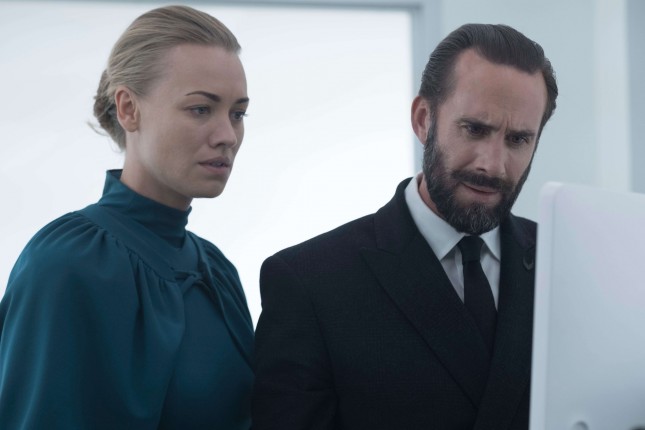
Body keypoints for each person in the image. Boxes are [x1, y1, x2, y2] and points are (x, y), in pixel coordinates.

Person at [253, 23, 557, 430]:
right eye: (474, 129)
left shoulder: (568, 265)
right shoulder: (310, 282)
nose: (493, 164)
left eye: (518, 139)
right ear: (423, 120)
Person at [0, 5, 253, 429]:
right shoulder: (67, 263)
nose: (227, 135)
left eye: (237, 113)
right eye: (200, 109)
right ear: (128, 109)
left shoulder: (219, 272)